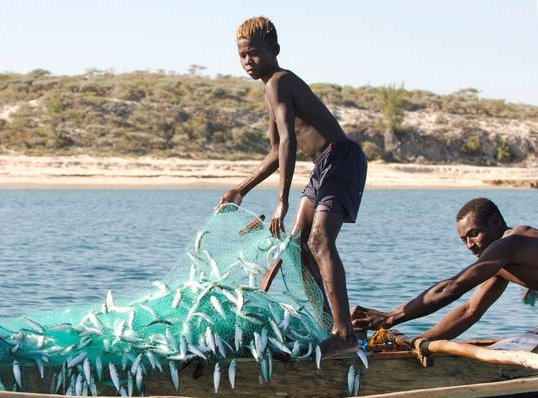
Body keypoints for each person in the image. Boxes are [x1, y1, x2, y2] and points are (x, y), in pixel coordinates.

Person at [216, 16, 367, 356]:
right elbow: (275, 152)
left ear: (274, 49)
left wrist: (281, 201)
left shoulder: (279, 81)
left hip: (340, 158)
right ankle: (331, 327)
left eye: (253, 54)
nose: (247, 62)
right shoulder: (270, 91)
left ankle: (344, 334)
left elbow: (289, 144)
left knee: (319, 240)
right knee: (298, 248)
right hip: (323, 165)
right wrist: (242, 189)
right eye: (241, 56)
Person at [351, 197, 538, 340]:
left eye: (474, 234)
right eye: (464, 239)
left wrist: (390, 317)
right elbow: (469, 311)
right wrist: (419, 342)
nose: (470, 245)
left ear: (496, 223)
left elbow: (452, 287)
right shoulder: (498, 262)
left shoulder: (512, 242)